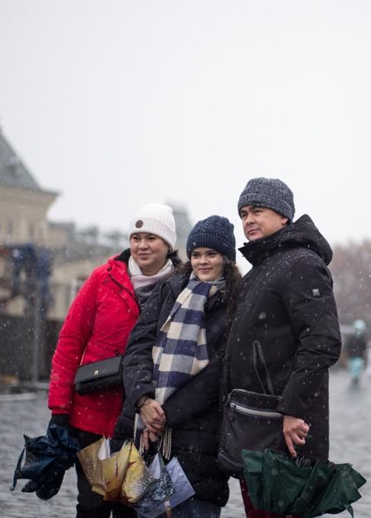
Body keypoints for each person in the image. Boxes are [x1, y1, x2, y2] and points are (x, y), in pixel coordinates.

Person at [48, 203, 179, 518]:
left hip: (142, 421)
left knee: (129, 508)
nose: (142, 245)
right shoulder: (103, 279)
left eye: (151, 238)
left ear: (168, 245)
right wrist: (60, 410)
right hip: (92, 418)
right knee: (92, 504)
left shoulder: (181, 288)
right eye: (136, 237)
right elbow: (70, 341)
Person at [226, 177, 342, 518]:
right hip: (256, 423)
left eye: (257, 211)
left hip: (284, 428)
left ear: (284, 217)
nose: (248, 220)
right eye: (243, 213)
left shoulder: (301, 263)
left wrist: (293, 410)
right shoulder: (260, 269)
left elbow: (323, 341)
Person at [116, 216, 241, 517]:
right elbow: (137, 348)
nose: (202, 261)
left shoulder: (236, 303)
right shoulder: (169, 290)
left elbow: (219, 374)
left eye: (211, 254)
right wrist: (144, 400)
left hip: (199, 440)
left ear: (226, 258)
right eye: (196, 254)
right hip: (143, 432)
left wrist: (166, 414)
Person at [345, 319, 368, 387]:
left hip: (358, 355)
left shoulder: (362, 338)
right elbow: (347, 346)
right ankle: (354, 377)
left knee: (357, 366)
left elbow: (364, 347)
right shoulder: (352, 337)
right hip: (353, 355)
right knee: (353, 367)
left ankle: (356, 377)